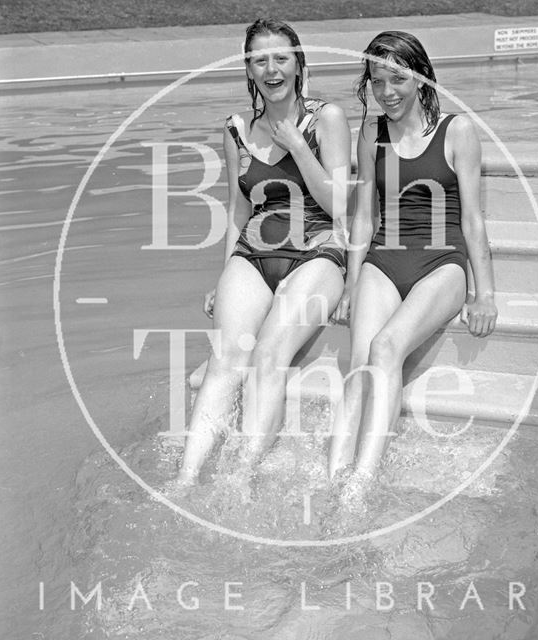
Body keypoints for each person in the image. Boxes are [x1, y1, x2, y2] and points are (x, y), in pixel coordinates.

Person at [176, 18, 351, 485]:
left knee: (270, 355)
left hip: (318, 250)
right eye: (259, 60)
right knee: (225, 361)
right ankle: (185, 480)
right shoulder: (236, 130)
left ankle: (240, 476)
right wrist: (223, 275)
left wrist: (296, 143)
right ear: (248, 69)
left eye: (280, 58)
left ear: (298, 62)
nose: (271, 69)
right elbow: (237, 209)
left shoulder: (326, 118)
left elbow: (339, 204)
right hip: (253, 251)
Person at [328, 31, 498, 483]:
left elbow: (473, 221)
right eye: (377, 82)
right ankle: (332, 477)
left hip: (441, 264)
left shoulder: (456, 130)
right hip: (384, 261)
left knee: (386, 347)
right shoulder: (371, 132)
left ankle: (359, 488)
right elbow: (363, 218)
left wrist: (485, 294)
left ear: (421, 77)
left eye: (397, 80)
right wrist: (350, 284)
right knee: (360, 361)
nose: (386, 93)